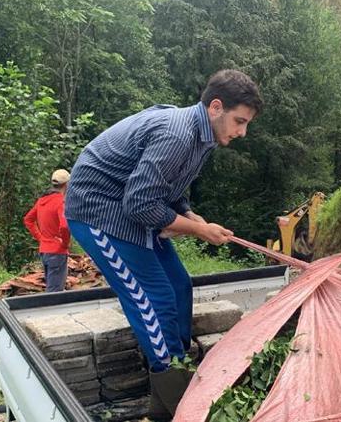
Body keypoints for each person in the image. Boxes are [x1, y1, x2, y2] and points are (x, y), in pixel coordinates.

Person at [64, 69, 262, 420]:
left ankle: (169, 392)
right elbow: (140, 203)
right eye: (239, 121)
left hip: (129, 208)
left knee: (179, 286)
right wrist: (199, 232)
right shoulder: (177, 133)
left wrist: (192, 216)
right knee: (154, 299)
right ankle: (179, 401)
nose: (242, 132)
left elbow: (169, 190)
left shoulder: (202, 137)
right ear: (216, 107)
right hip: (99, 212)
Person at [23, 169, 72, 293]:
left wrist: (41, 238)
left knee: (51, 288)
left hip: (44, 251)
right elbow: (65, 226)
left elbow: (28, 220)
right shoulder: (60, 202)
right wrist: (65, 243)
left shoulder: (42, 201)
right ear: (67, 185)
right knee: (54, 293)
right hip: (57, 251)